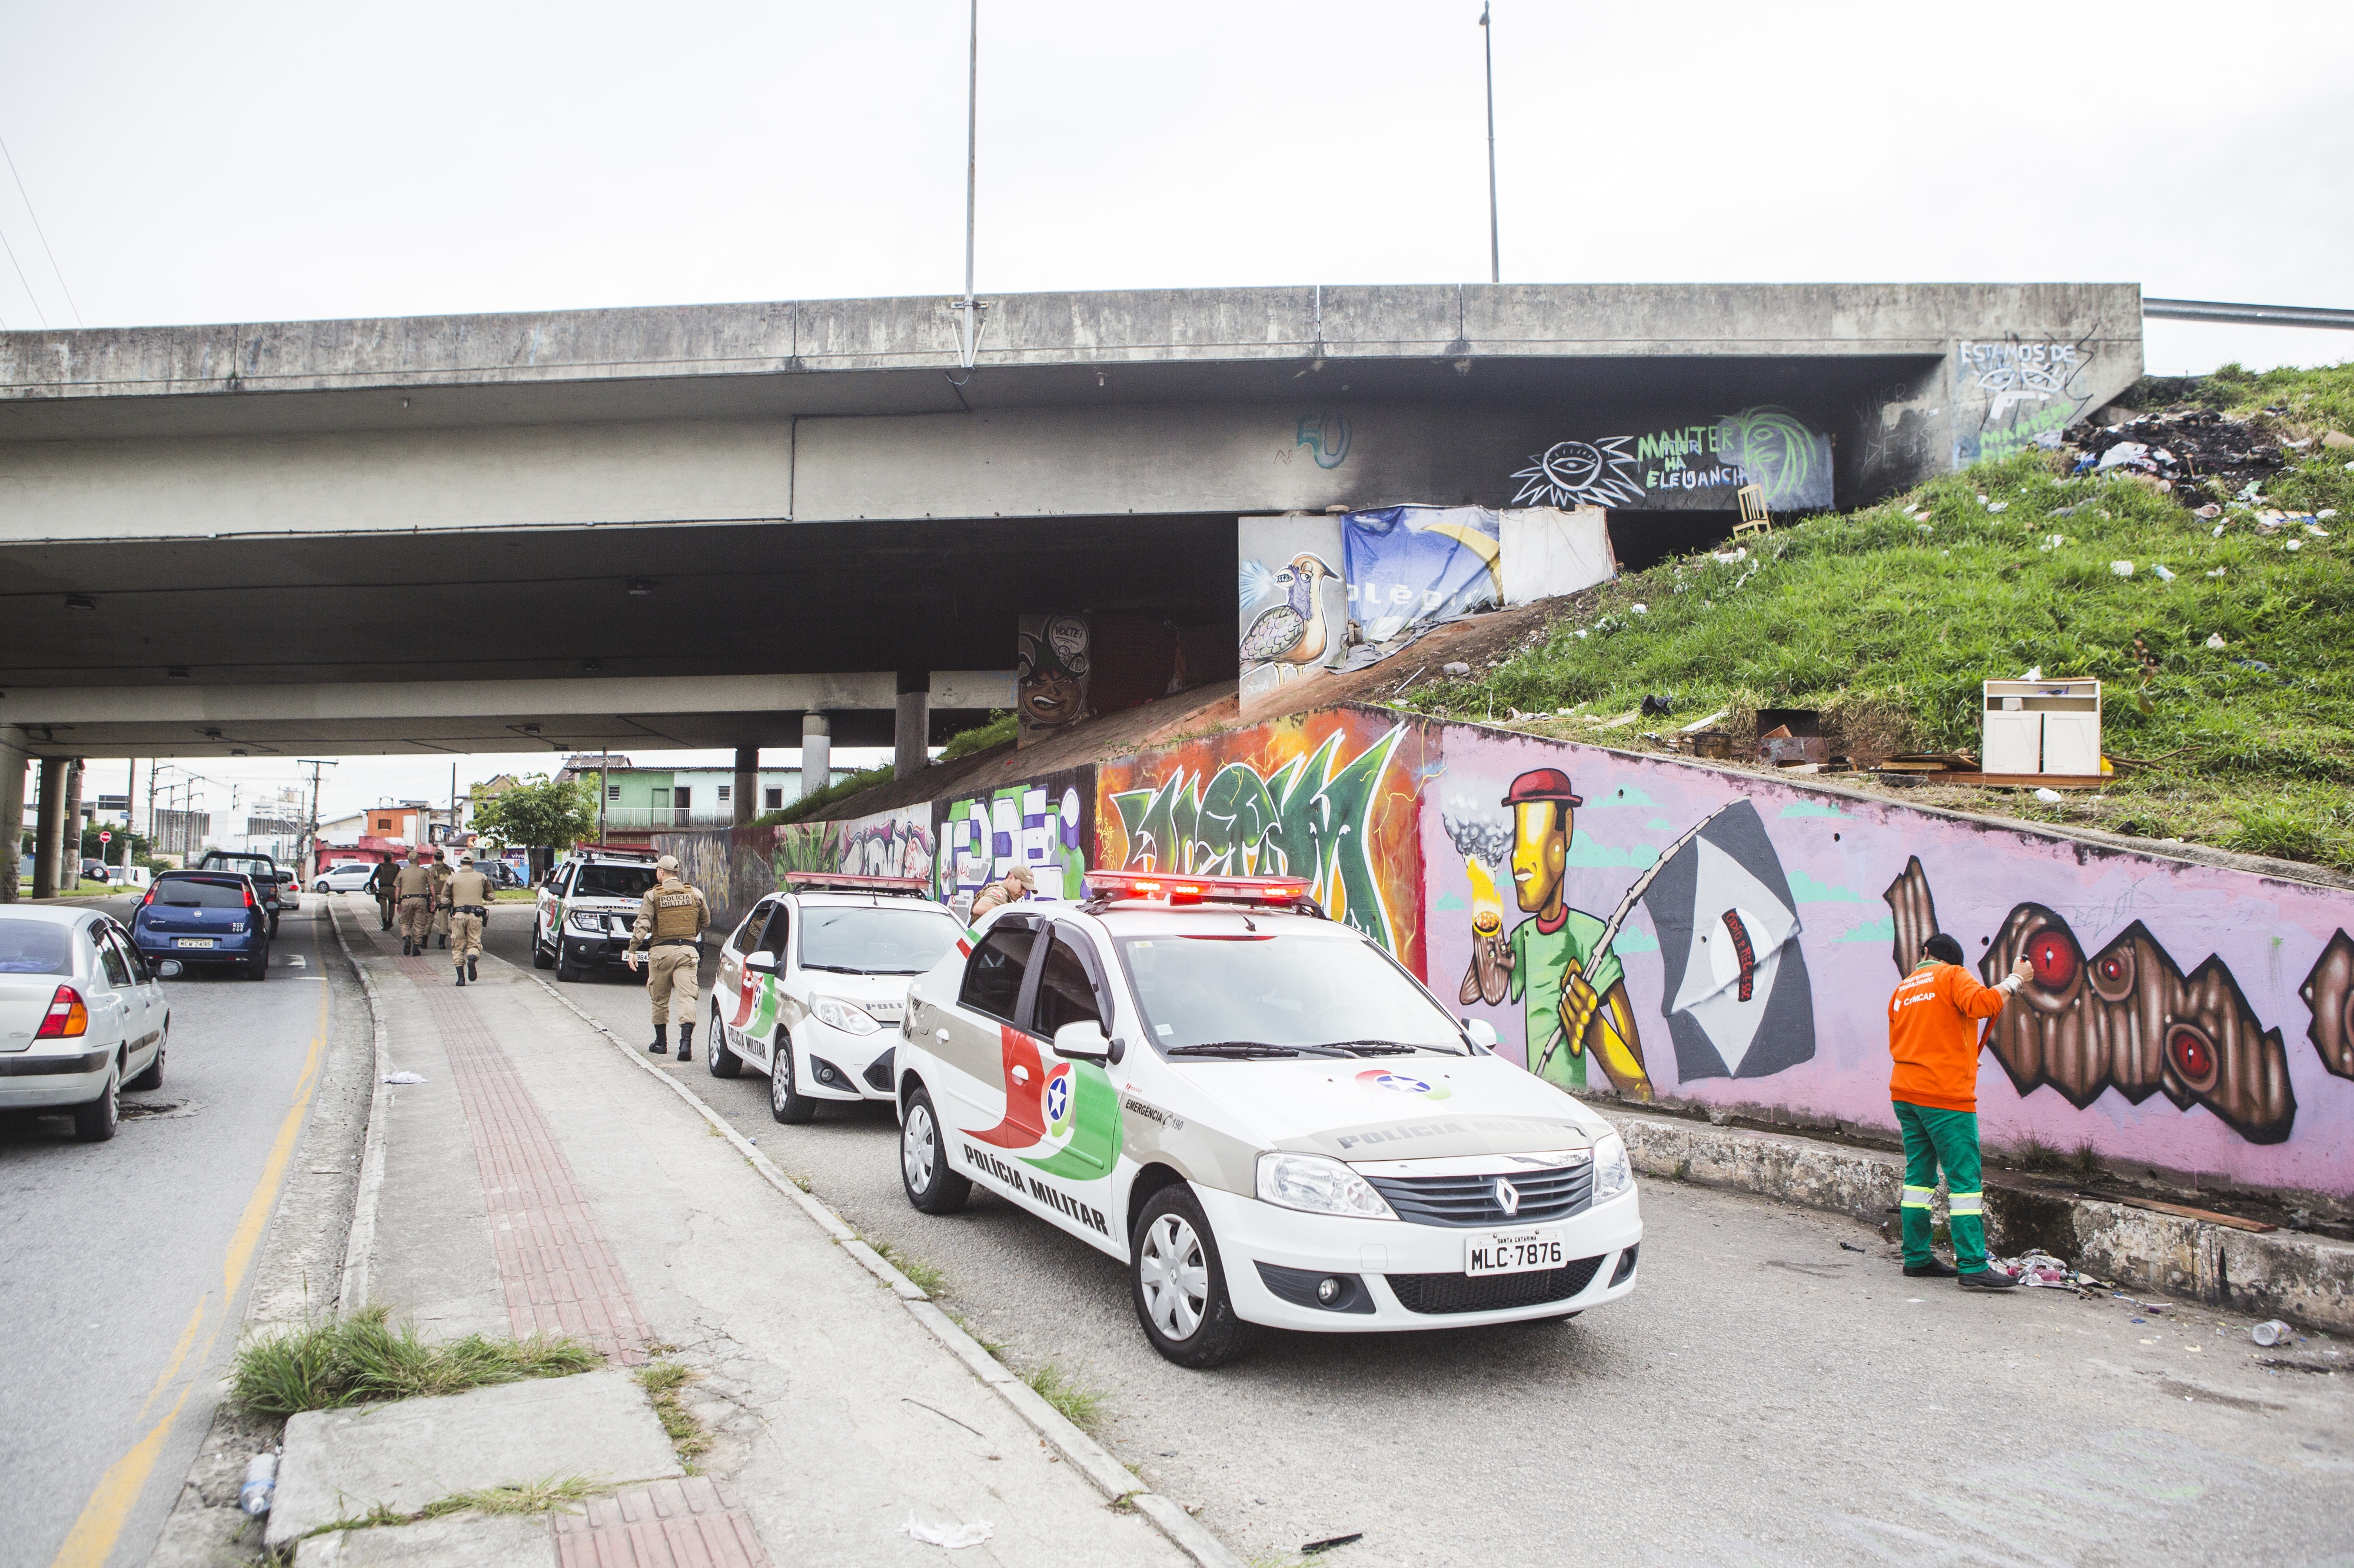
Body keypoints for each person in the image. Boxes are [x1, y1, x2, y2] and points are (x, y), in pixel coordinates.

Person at [1888, 933, 2034, 1290]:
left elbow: (1915, 1038)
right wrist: (2016, 980)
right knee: (1965, 1182)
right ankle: (1972, 1264)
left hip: (1906, 1093)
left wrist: (1962, 1057)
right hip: (1944, 1098)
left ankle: (1916, 1257)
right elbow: (1982, 1004)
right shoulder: (1952, 975)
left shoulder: (1903, 989)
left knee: (1918, 1178)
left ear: (1925, 953)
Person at [626, 854, 710, 1061]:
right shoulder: (695, 893)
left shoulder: (652, 896)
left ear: (661, 872)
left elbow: (643, 924)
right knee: (687, 997)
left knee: (659, 998)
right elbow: (706, 921)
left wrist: (633, 949)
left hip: (661, 953)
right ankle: (685, 1044)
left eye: (658, 870)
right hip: (687, 952)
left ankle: (661, 1043)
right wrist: (690, 932)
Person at [445, 850, 493, 987]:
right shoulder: (482, 877)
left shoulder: (452, 878)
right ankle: (472, 958)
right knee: (474, 942)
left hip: (458, 916)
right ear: (473, 863)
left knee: (458, 946)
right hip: (476, 915)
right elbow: (491, 896)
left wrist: (453, 901)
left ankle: (461, 979)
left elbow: (444, 899)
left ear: (461, 863)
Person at [393, 849, 436, 957]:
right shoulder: (424, 872)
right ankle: (416, 946)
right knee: (420, 924)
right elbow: (432, 887)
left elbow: (397, 889)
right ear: (418, 860)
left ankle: (407, 937)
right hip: (421, 900)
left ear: (409, 860)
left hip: (406, 900)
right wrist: (434, 900)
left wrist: (397, 902)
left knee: (405, 922)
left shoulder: (402, 872)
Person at [970, 863, 1035, 918]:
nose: (1024, 893)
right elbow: (979, 908)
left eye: (1027, 890)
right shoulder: (1000, 892)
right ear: (1011, 878)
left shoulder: (1005, 895)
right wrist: (1009, 918)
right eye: (1022, 887)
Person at [429, 847, 454, 950]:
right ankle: (442, 943)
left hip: (433, 897)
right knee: (444, 920)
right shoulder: (449, 870)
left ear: (435, 858)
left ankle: (424, 941)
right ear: (443, 857)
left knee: (429, 919)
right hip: (445, 897)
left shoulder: (431, 870)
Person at [368, 858, 398, 931]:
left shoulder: (380, 866)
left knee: (383, 907)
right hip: (393, 888)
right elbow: (400, 878)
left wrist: (371, 887)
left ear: (384, 859)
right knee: (392, 905)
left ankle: (385, 925)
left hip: (383, 888)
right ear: (391, 859)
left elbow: (373, 877)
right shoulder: (396, 867)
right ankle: (390, 922)